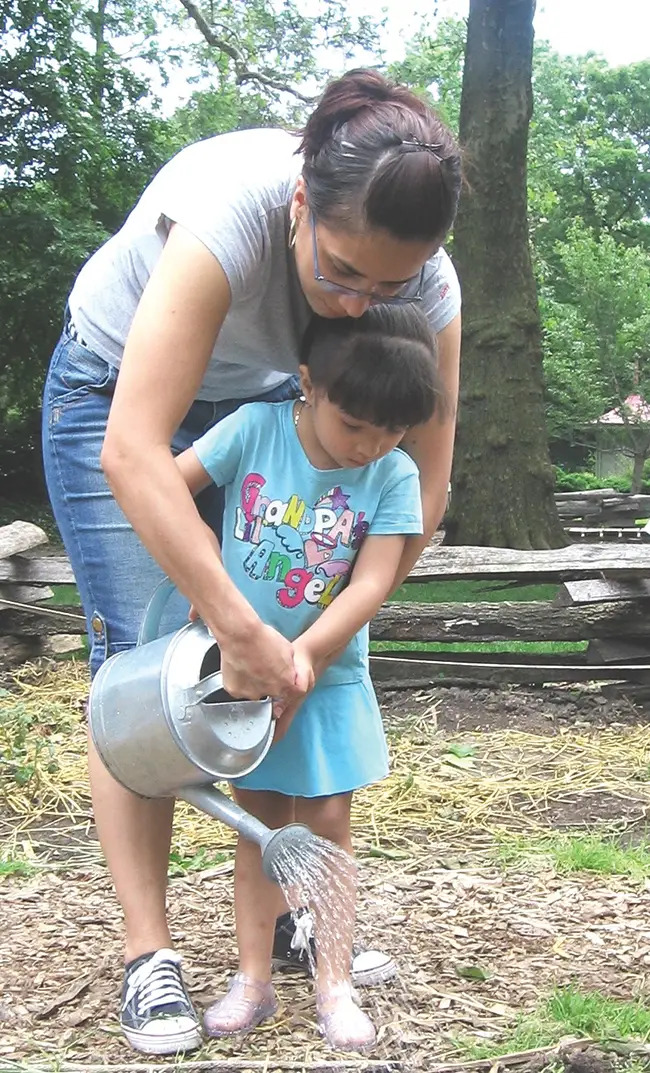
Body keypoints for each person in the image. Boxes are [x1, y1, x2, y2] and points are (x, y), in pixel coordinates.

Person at [41, 67, 462, 1055]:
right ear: (299, 203)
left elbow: (422, 492)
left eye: (388, 286)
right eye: (340, 276)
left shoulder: (426, 285)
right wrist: (233, 624)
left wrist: (312, 640)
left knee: (257, 671)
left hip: (276, 404)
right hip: (121, 398)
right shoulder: (227, 212)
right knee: (146, 674)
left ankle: (283, 916)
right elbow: (135, 452)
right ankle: (151, 957)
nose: (361, 308)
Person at [175, 306, 444, 1052]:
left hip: (327, 680)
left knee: (326, 824)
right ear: (307, 384)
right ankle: (253, 978)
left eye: (392, 430)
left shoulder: (393, 472)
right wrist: (199, 565)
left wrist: (305, 657)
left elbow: (370, 582)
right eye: (355, 423)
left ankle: (334, 979)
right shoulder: (254, 431)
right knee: (258, 824)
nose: (371, 444)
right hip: (244, 677)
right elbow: (168, 484)